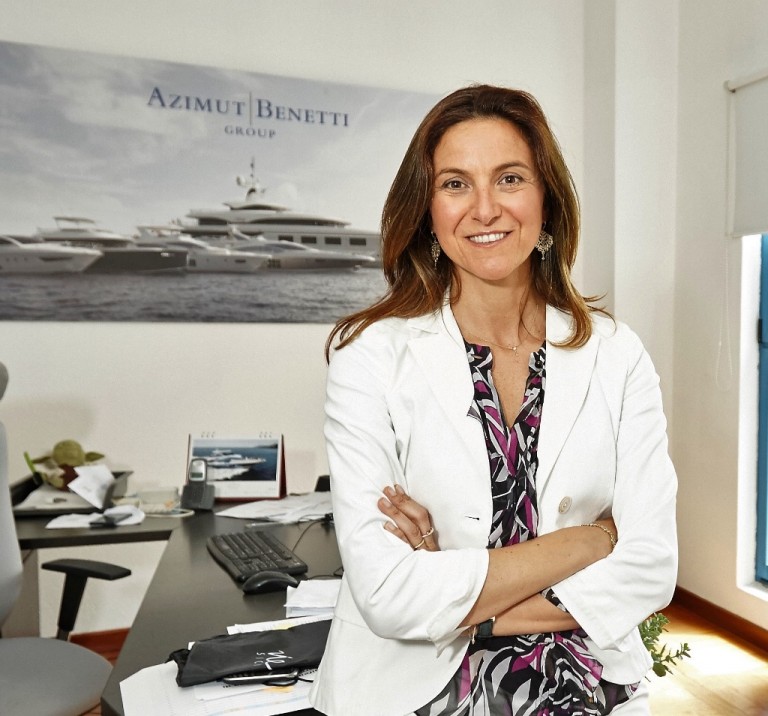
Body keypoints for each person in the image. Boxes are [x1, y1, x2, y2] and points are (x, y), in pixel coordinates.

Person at [309, 84, 677, 716]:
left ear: (545, 199)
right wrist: (583, 544)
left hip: (589, 680)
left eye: (509, 178)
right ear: (425, 208)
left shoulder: (617, 354)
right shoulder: (369, 358)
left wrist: (464, 607)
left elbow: (650, 565)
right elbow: (388, 592)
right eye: (455, 184)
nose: (484, 209)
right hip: (415, 687)